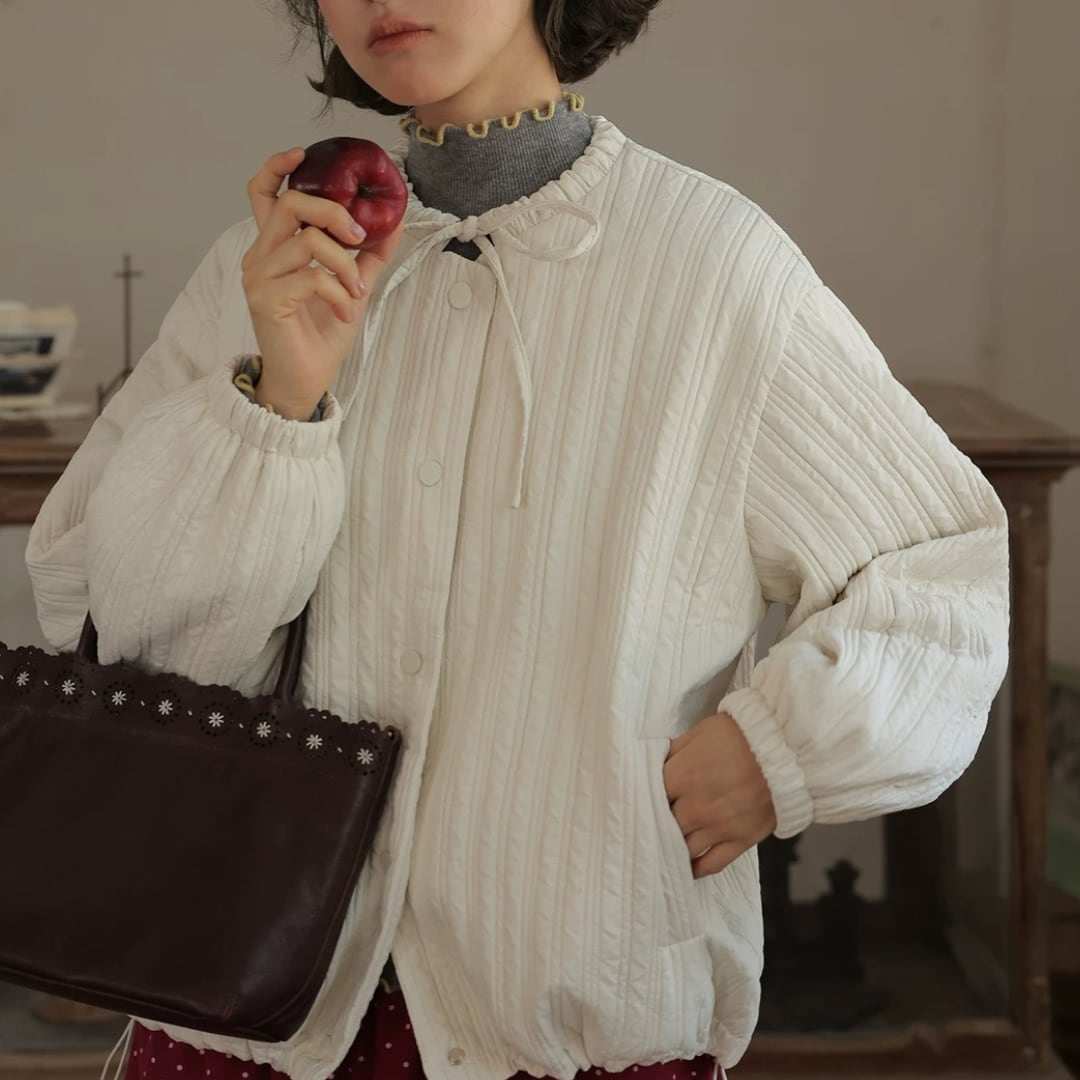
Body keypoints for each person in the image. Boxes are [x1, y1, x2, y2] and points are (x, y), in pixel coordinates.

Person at [25, 0, 1011, 1079]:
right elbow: (121, 632)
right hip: (240, 1022)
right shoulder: (266, 269)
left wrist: (783, 752)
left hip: (569, 1027)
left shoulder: (709, 267)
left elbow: (940, 571)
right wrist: (278, 401)